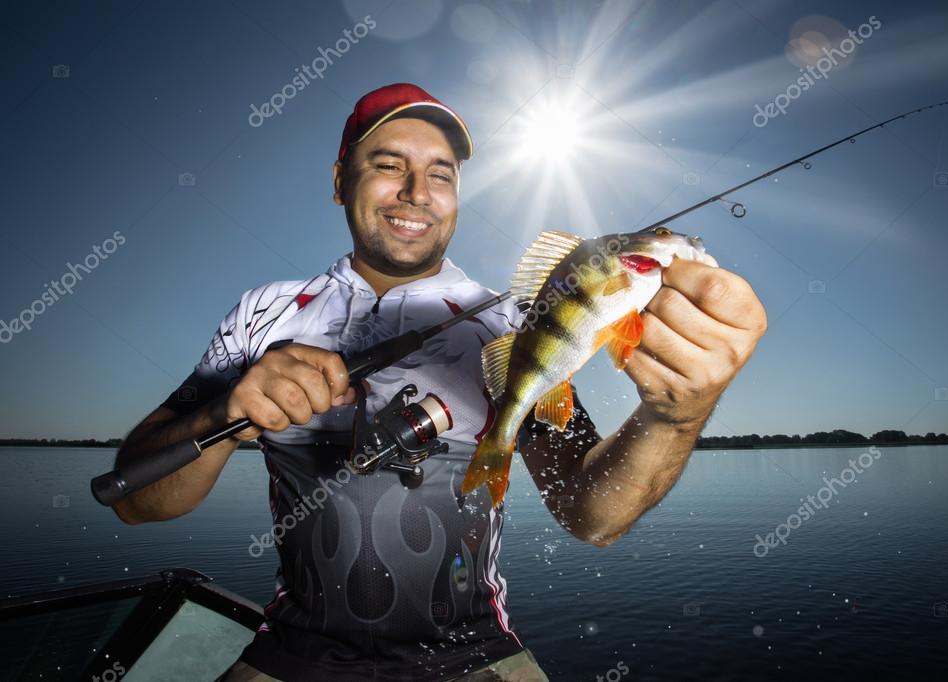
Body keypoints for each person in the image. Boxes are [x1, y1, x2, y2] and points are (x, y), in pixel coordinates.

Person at [110, 83, 767, 681]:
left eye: (440, 174)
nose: (416, 192)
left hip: (478, 657)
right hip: (290, 653)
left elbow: (591, 515)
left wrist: (675, 416)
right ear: (340, 181)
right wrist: (223, 413)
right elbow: (136, 501)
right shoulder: (262, 313)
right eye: (389, 165)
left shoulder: (514, 324)